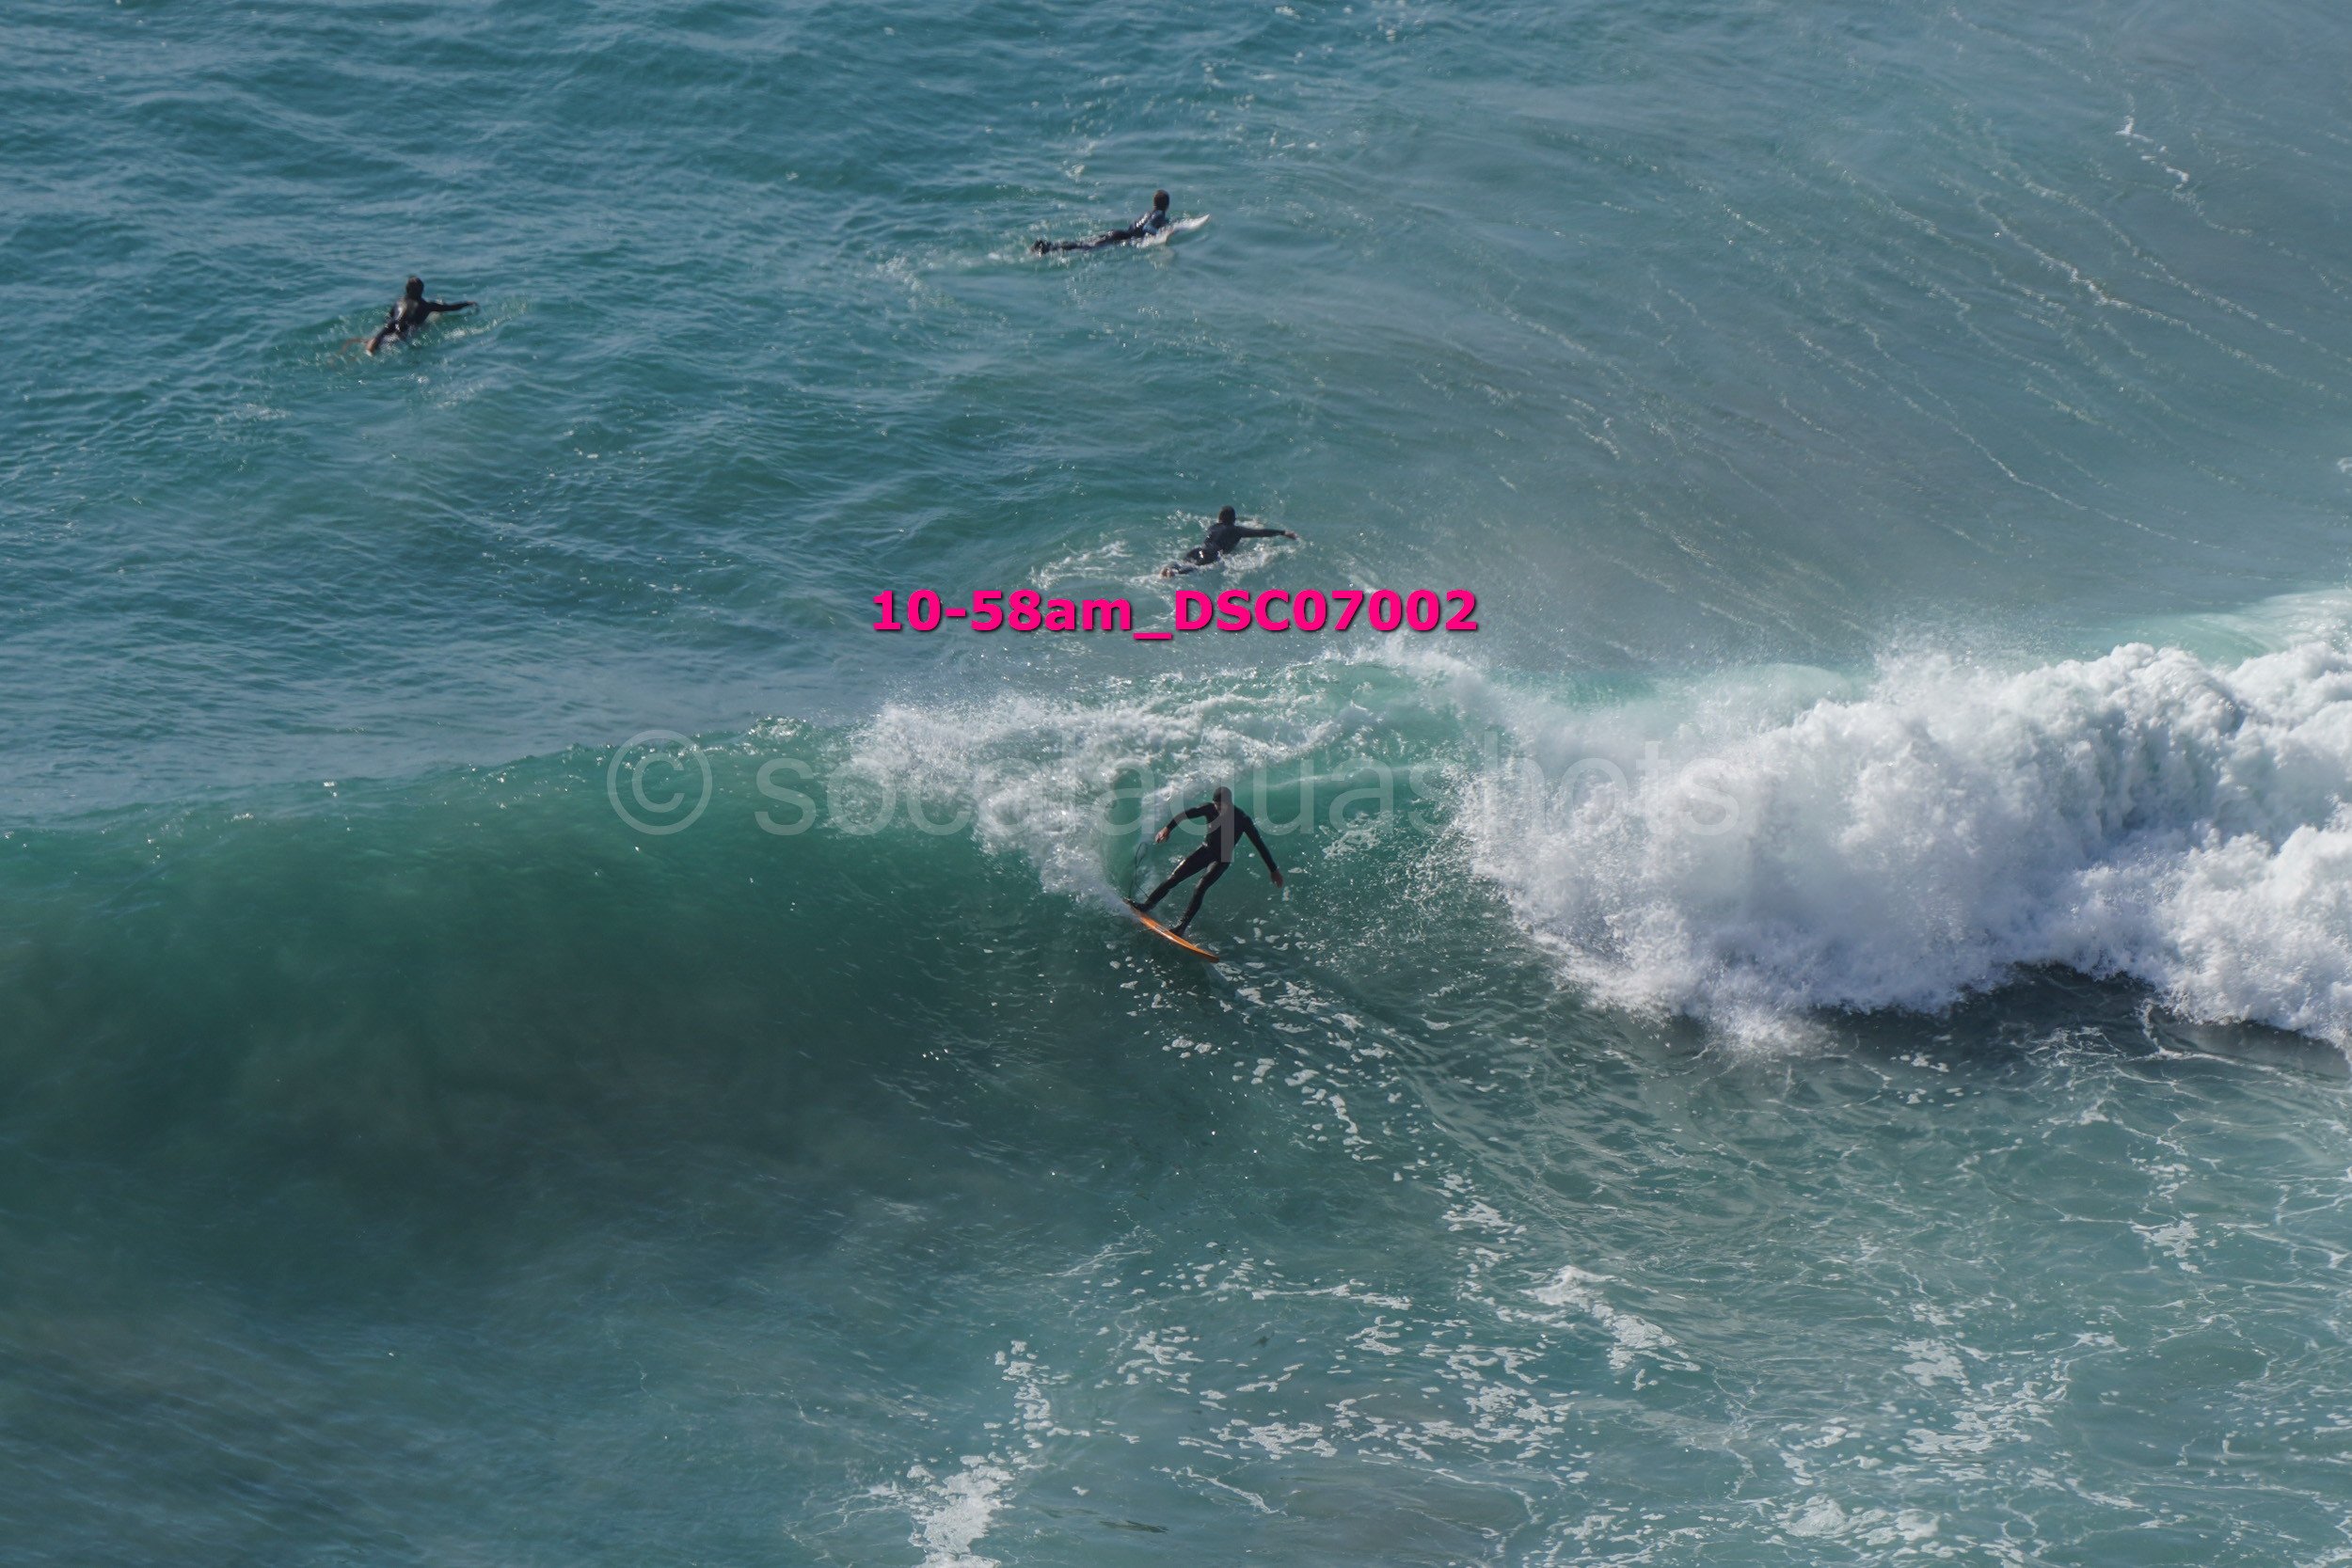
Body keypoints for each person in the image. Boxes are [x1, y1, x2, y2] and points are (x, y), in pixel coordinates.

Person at [1130, 786, 1283, 937]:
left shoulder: (1242, 819)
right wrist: (1167, 828)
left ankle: (1181, 927)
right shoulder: (1209, 809)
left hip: (1222, 859)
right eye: (1216, 805)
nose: (1218, 809)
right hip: (1205, 851)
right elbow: (1185, 814)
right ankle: (1147, 906)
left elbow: (1259, 844)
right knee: (1174, 878)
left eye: (1221, 806)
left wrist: (1273, 869)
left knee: (1200, 887)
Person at [1162, 506, 1298, 576]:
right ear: (1234, 520)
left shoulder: (1212, 527)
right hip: (1211, 554)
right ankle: (1174, 573)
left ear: (1219, 519)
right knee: (1194, 568)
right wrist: (1283, 532)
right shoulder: (1237, 530)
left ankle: (1170, 568)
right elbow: (1259, 533)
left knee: (1181, 563)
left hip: (1198, 550)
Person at [1033, 190, 1174, 254]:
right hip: (1123, 238)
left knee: (1084, 243)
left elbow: (1137, 226)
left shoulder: (1148, 213)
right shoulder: (1159, 216)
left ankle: (1050, 246)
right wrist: (1162, 234)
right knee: (1086, 247)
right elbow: (1149, 228)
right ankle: (1048, 248)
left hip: (1119, 233)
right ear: (1167, 205)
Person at [366, 277, 476, 355]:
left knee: (382, 336)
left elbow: (388, 318)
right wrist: (467, 303)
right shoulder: (427, 306)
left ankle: (372, 344)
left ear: (407, 290)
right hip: (408, 330)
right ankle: (374, 347)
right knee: (406, 336)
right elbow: (451, 308)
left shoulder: (398, 302)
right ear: (422, 290)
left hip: (391, 325)